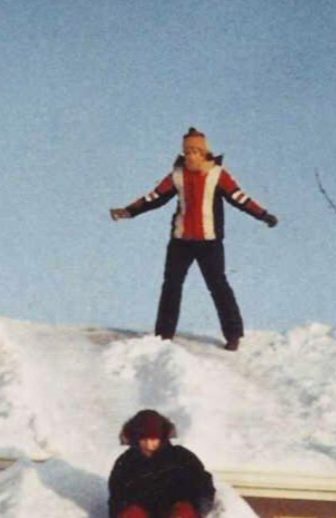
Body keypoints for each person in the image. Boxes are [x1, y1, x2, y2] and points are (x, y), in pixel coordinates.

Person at [110, 127, 277, 351]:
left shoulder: (218, 175)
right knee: (171, 286)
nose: (190, 156)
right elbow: (155, 197)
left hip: (210, 242)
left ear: (204, 153)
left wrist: (263, 215)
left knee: (218, 285)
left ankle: (234, 334)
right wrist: (128, 211)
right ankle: (163, 335)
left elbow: (240, 198)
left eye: (195, 151)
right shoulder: (177, 175)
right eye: (187, 152)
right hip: (181, 241)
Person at [108, 409, 216, 518]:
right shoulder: (125, 463)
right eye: (143, 440)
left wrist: (201, 508)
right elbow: (116, 498)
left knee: (182, 512)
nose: (149, 445)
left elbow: (202, 483)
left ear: (163, 438)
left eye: (154, 439)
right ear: (135, 439)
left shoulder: (180, 457)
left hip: (173, 508)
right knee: (132, 516)